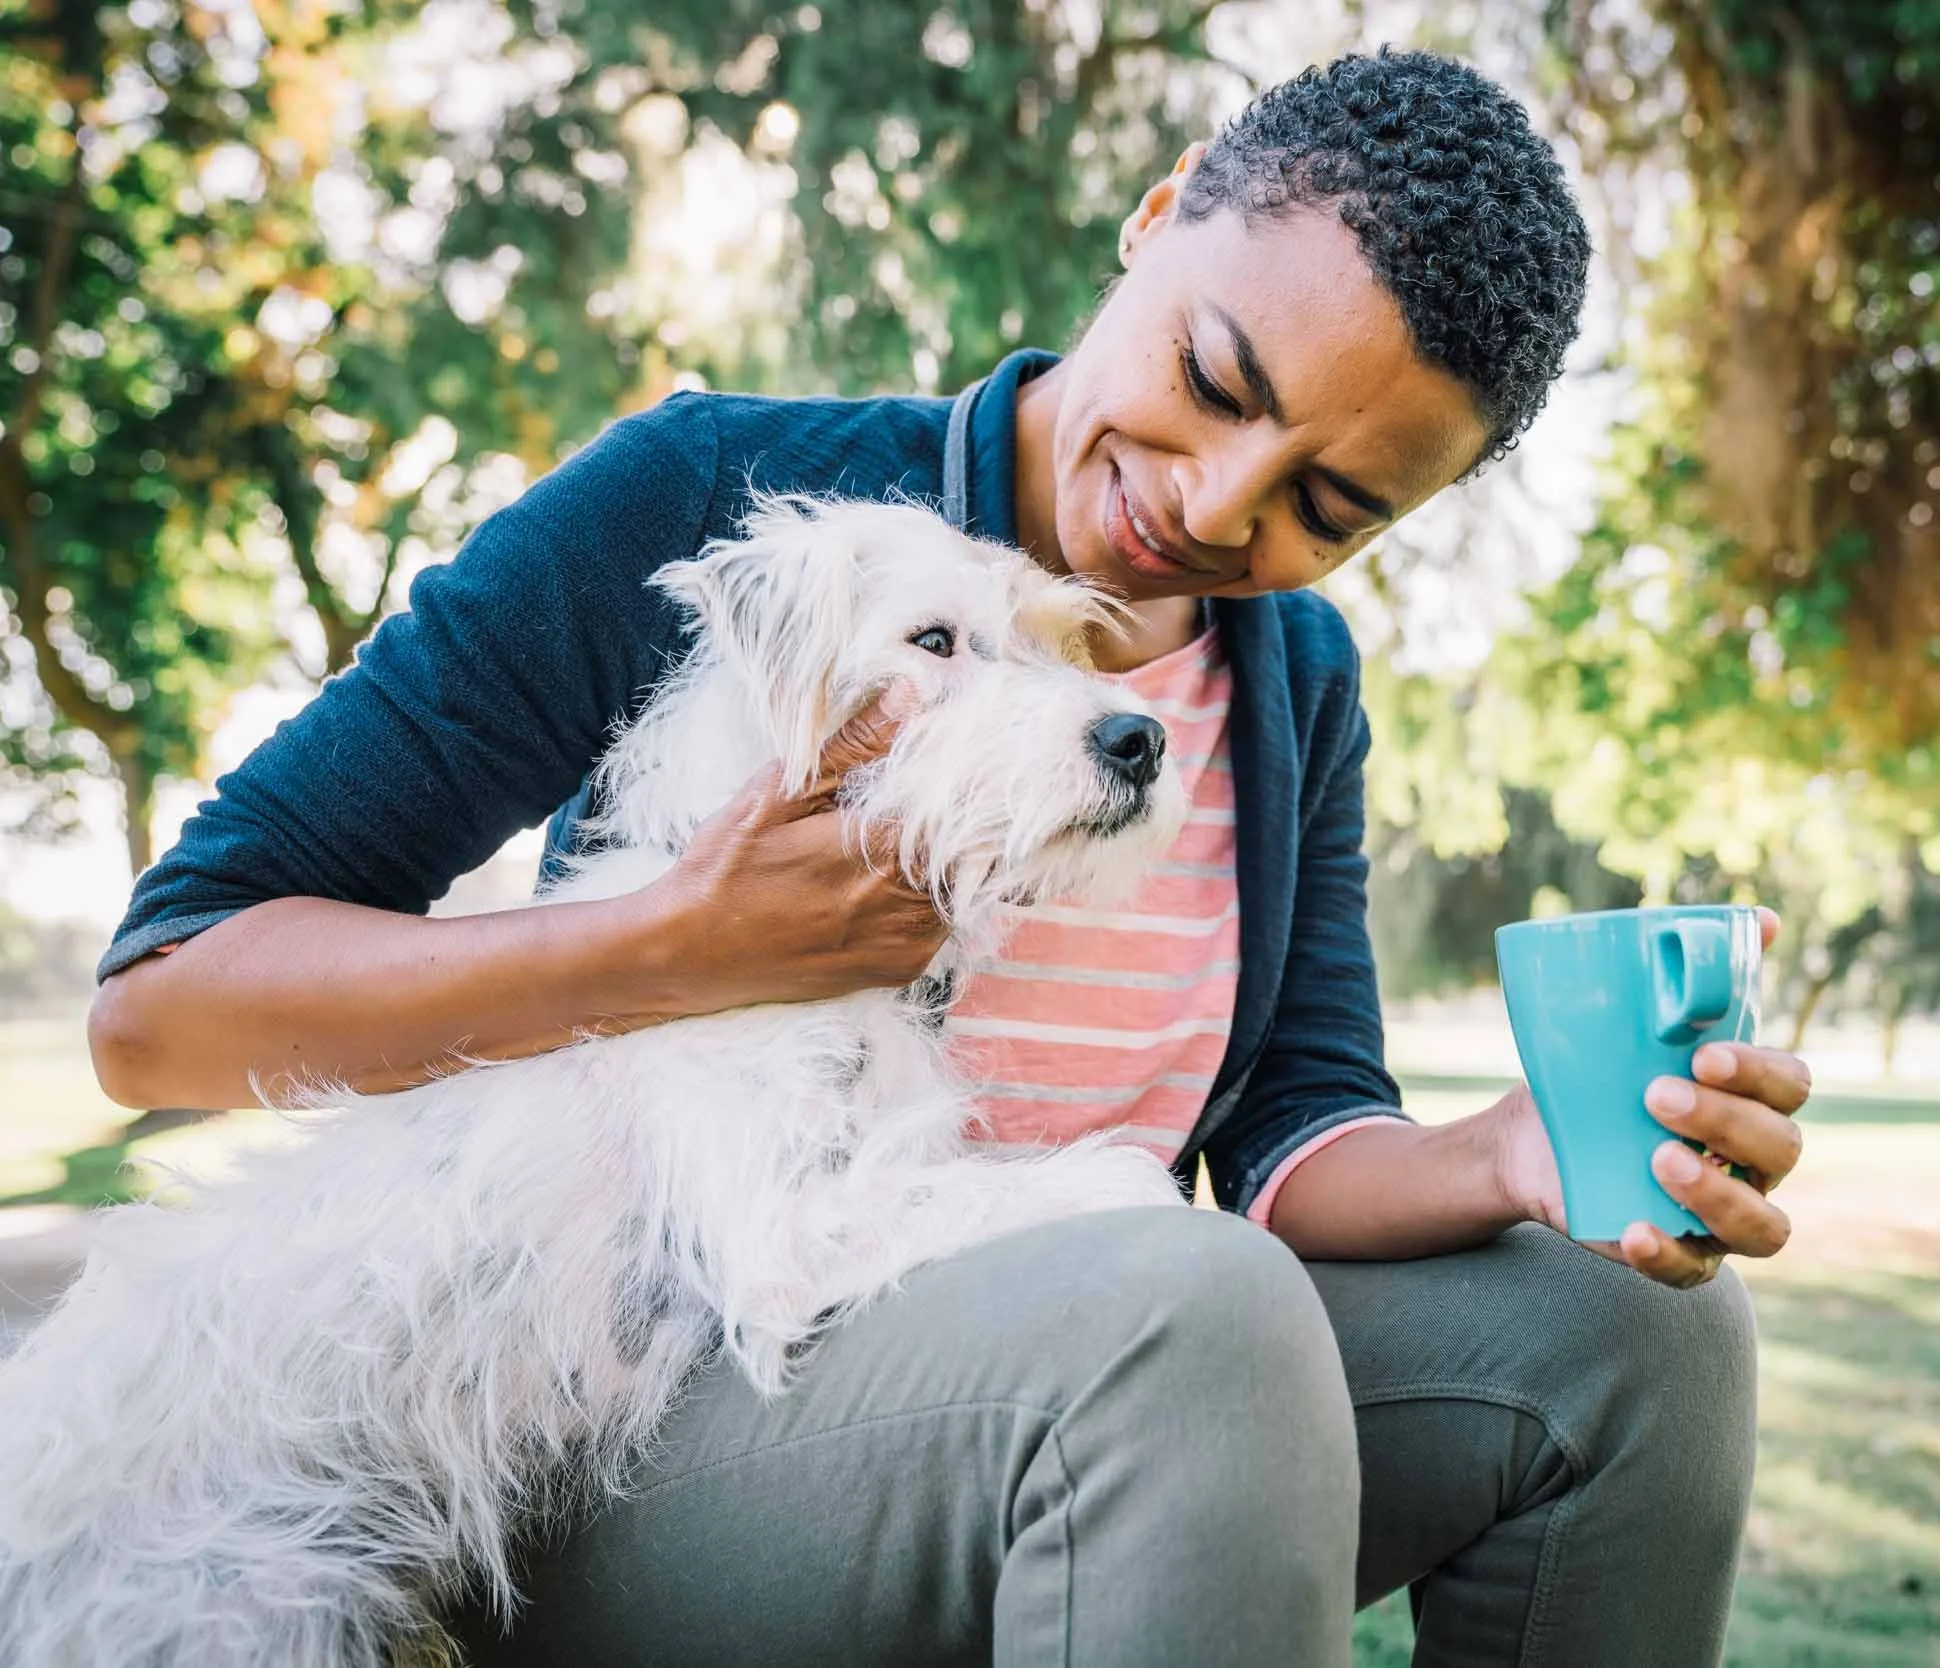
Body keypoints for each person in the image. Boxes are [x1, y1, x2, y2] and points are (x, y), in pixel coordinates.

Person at [86, 48, 1811, 1668]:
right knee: (1184, 1303)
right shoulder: (718, 496)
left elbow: (1293, 1131)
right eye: (1215, 380)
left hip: (1124, 1366)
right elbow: (161, 1014)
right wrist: (684, 944)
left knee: (1639, 1338)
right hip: (647, 1418)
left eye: (1327, 509)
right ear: (1160, 211)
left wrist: (1508, 1155)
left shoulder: (1291, 688)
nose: (1219, 508)